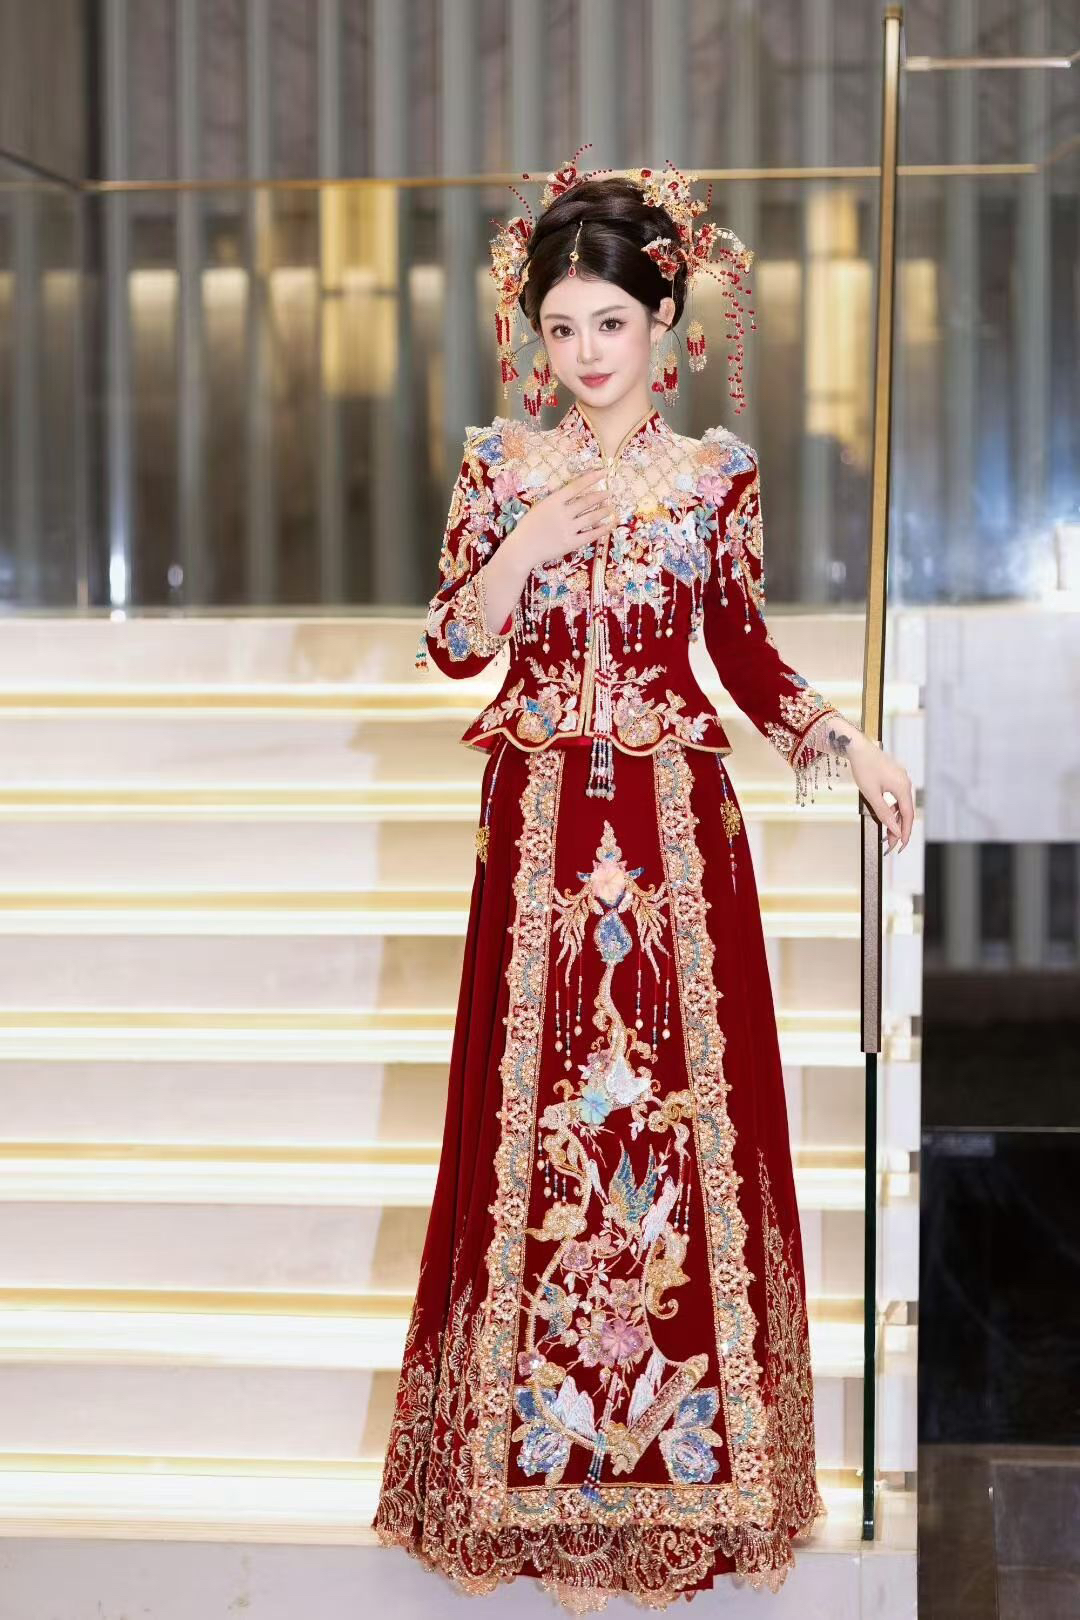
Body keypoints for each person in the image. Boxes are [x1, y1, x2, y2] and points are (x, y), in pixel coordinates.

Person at [372, 150, 915, 1612]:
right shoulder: (501, 467)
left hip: (679, 841)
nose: (586, 353)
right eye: (561, 328)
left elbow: (738, 653)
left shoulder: (715, 475)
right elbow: (454, 647)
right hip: (539, 830)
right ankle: (517, 1476)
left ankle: (699, 1473)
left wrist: (845, 743)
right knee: (527, 1128)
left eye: (610, 323)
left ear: (665, 322)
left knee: (685, 1133)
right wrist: (522, 547)